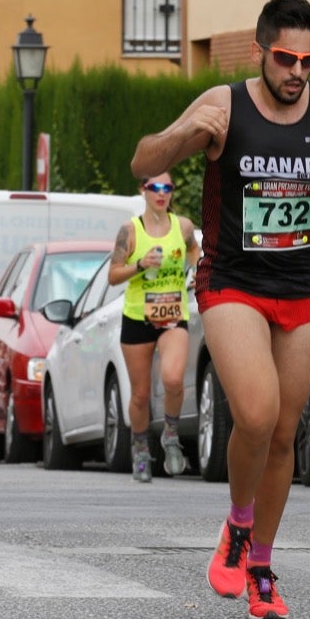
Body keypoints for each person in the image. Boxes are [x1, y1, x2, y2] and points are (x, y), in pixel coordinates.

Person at [131, 0, 310, 619]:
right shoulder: (224, 103)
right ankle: (237, 526)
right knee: (256, 410)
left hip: (304, 284)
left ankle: (262, 568)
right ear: (260, 52)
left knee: (281, 433)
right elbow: (143, 161)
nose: (298, 71)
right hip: (233, 282)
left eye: (308, 59)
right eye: (285, 58)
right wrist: (188, 135)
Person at [107, 173, 200, 482]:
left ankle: (171, 435)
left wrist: (196, 271)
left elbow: (193, 250)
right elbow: (113, 275)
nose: (161, 194)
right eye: (155, 188)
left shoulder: (183, 227)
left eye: (168, 188)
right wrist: (140, 265)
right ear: (142, 191)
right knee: (140, 395)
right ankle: (140, 448)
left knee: (174, 379)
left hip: (173, 312)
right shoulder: (130, 231)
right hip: (138, 317)